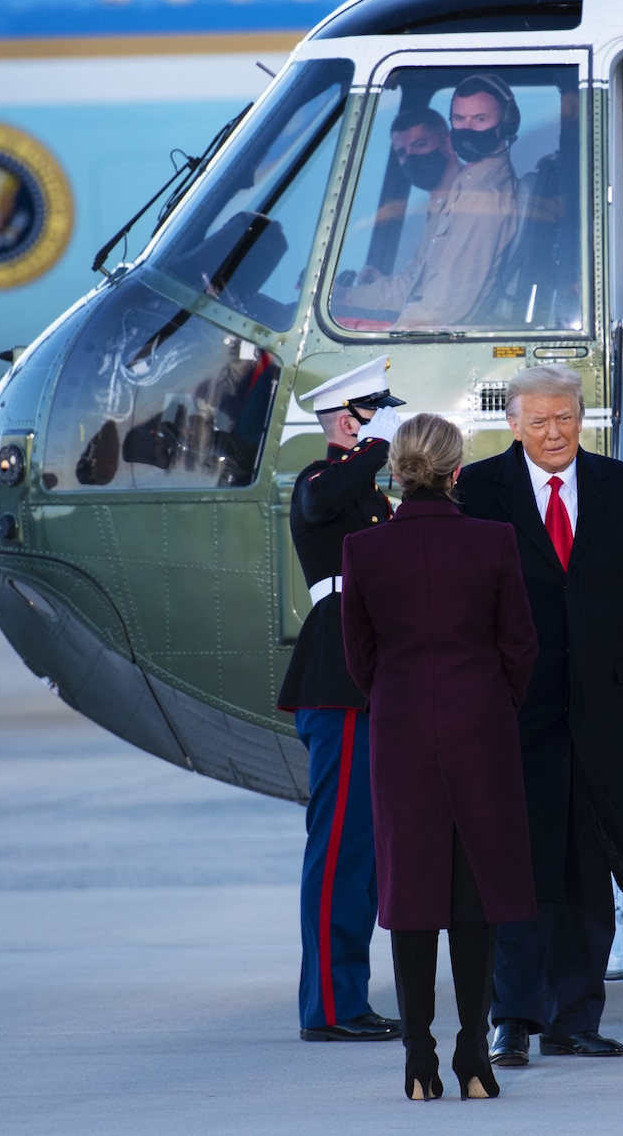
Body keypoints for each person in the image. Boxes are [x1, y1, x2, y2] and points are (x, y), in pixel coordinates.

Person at [457, 363, 623, 1067]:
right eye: (540, 421)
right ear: (514, 424)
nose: (555, 432)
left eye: (566, 418)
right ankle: (514, 1017)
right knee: (518, 863)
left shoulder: (619, 484)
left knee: (589, 866)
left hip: (596, 706)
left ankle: (576, 1015)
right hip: (512, 710)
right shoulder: (479, 489)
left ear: (581, 416)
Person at [341, 413, 540, 1101]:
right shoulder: (495, 540)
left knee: (413, 895)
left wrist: (401, 700)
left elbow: (359, 657)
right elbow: (520, 644)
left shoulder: (363, 551)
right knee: (477, 895)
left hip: (399, 733)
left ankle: (418, 1060)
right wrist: (490, 702)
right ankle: (474, 1057)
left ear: (395, 473)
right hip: (480, 728)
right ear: (458, 472)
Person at [276, 357, 406, 1044]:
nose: (388, 421)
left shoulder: (370, 494)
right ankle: (329, 1005)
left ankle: (346, 996)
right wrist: (376, 444)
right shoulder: (322, 479)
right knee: (340, 849)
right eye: (375, 410)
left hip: (372, 670)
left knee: (369, 852)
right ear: (346, 418)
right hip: (340, 673)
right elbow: (323, 502)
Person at [339, 76, 521, 329]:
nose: (467, 129)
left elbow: (442, 309)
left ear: (507, 124)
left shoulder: (482, 198)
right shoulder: (463, 188)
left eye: (480, 119)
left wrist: (379, 332)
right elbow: (414, 281)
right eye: (459, 119)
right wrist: (344, 297)